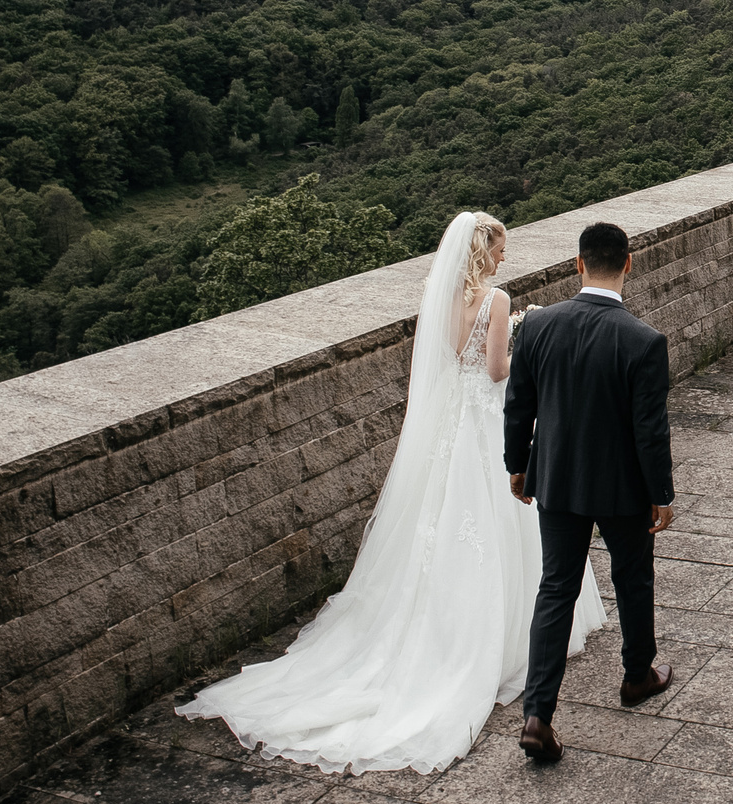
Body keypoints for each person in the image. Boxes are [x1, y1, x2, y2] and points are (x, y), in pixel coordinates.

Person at [177, 212, 605, 772]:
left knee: (438, 516)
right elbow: (499, 370)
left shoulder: (437, 292)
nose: (505, 258)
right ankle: (491, 638)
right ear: (485, 250)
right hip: (481, 420)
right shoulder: (496, 300)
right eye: (501, 249)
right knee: (497, 515)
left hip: (447, 423)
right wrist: (525, 335)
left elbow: (444, 361)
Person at [505, 220, 675, 765]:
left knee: (556, 589)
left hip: (555, 478)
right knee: (632, 576)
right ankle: (636, 675)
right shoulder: (644, 341)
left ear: (578, 265)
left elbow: (519, 406)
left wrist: (519, 466)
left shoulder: (536, 327)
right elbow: (650, 430)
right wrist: (661, 493)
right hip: (623, 487)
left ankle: (538, 715)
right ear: (629, 263)